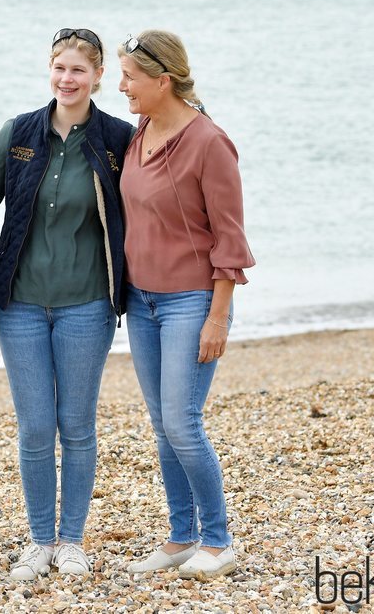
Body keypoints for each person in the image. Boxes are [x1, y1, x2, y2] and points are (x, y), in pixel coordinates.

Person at [0, 29, 133, 580]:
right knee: (36, 427)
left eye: (79, 71)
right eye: (60, 68)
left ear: (98, 76)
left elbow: (149, 207)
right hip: (18, 304)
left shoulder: (118, 139)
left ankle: (72, 541)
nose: (68, 79)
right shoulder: (18, 133)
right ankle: (40, 540)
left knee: (77, 425)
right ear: (50, 70)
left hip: (87, 304)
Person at [117, 30, 255, 580]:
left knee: (182, 420)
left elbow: (231, 239)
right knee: (162, 423)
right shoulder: (141, 131)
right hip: (141, 300)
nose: (121, 85)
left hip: (191, 302)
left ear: (162, 80)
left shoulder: (209, 142)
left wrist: (217, 315)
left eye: (129, 76)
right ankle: (180, 537)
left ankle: (218, 540)